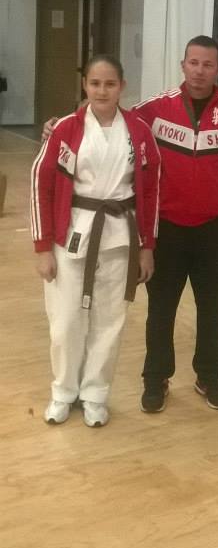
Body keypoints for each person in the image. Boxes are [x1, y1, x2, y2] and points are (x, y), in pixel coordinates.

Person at [31, 55, 160, 427]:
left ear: (122, 87)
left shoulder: (139, 131)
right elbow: (42, 184)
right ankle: (63, 391)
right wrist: (42, 247)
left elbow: (151, 191)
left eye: (110, 84)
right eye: (95, 83)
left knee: (109, 321)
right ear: (84, 85)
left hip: (120, 235)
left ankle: (95, 394)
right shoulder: (66, 129)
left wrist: (147, 246)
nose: (102, 91)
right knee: (65, 321)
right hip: (71, 233)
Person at [134, 36, 218, 413]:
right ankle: (155, 380)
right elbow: (109, 118)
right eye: (194, 63)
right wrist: (64, 122)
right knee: (161, 310)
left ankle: (210, 378)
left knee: (212, 309)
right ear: (183, 65)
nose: (200, 71)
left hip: (215, 230)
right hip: (166, 230)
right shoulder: (154, 109)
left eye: (208, 64)